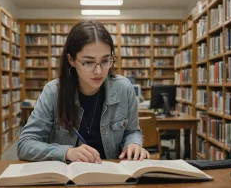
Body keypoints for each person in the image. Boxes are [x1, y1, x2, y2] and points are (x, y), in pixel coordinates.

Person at [17, 20, 150, 163]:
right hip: (68, 178)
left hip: (113, 176)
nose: (99, 71)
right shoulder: (52, 92)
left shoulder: (124, 89)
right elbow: (25, 144)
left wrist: (134, 144)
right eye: (88, 62)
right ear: (71, 60)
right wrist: (67, 152)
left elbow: (132, 131)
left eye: (105, 61)